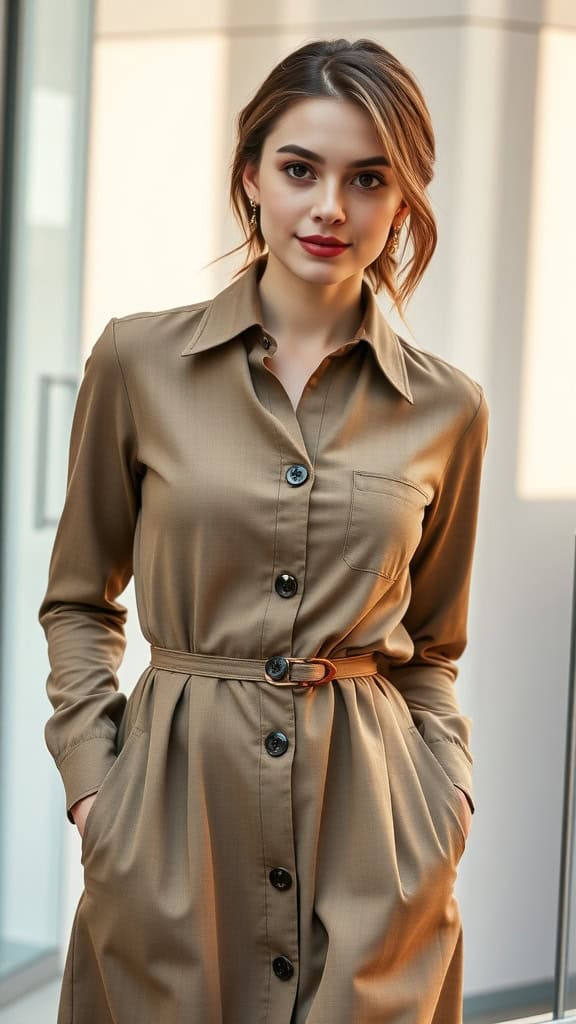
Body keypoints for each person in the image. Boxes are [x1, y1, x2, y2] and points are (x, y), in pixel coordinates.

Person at [38, 36, 489, 1024]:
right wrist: (94, 789)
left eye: (368, 179)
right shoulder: (139, 362)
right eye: (300, 170)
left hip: (374, 833)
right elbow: (78, 597)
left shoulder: (448, 408)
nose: (331, 207)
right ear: (251, 178)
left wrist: (443, 795)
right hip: (171, 821)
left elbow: (435, 649)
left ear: (403, 198)